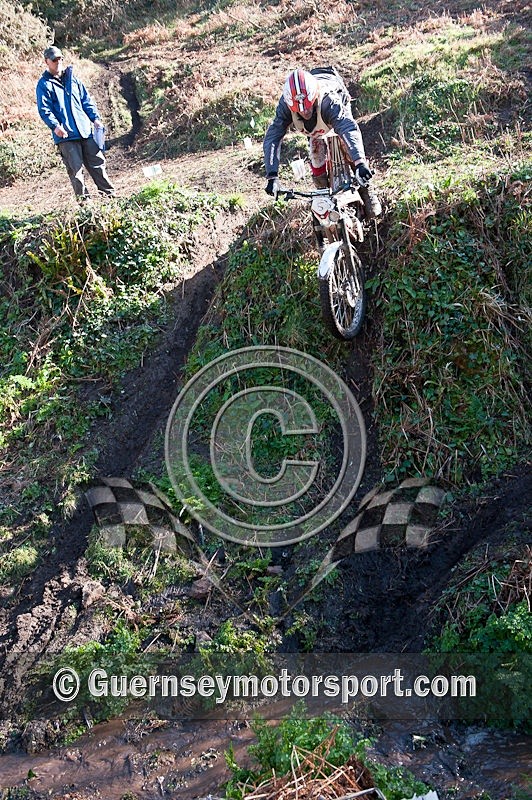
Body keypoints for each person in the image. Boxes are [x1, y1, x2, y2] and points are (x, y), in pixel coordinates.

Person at [263, 67, 381, 218]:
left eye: (308, 107)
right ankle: (322, 193)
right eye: (300, 111)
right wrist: (272, 176)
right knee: (316, 152)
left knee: (346, 144)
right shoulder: (285, 105)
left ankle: (367, 190)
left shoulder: (329, 102)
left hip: (335, 93)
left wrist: (360, 163)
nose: (305, 112)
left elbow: (348, 129)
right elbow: (273, 137)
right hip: (315, 130)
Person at [36, 46, 115, 202]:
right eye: (54, 60)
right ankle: (86, 206)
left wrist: (95, 119)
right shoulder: (43, 84)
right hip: (66, 136)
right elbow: (44, 110)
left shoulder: (73, 79)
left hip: (85, 131)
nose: (58, 62)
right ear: (47, 62)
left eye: (60, 58)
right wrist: (55, 126)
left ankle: (110, 197)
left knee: (98, 165)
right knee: (76, 172)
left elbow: (86, 101)